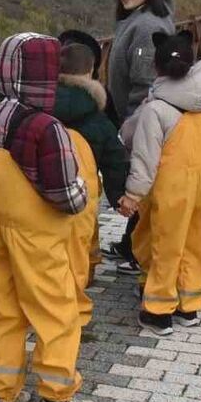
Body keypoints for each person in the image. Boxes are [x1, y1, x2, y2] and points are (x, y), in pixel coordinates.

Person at [0, 33, 98, 402]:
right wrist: (83, 191)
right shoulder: (47, 128)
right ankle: (55, 399)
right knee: (56, 313)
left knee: (6, 311)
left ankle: (0, 394)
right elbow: (65, 195)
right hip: (39, 239)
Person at [115, 31, 201, 336]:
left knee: (163, 245)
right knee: (195, 244)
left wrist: (132, 195)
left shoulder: (156, 109)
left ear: (156, 68)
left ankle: (158, 311)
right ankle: (189, 305)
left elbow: (144, 159)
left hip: (168, 190)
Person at [105, 0, 175, 274]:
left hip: (141, 118)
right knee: (143, 181)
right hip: (136, 116)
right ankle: (131, 243)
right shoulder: (137, 18)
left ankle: (140, 252)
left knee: (142, 182)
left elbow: (145, 82)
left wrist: (131, 125)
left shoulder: (147, 27)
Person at [53, 41, 128, 322]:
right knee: (82, 240)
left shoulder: (41, 107)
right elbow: (114, 159)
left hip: (46, 191)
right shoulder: (98, 118)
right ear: (91, 71)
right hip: (83, 193)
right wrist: (119, 196)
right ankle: (82, 286)